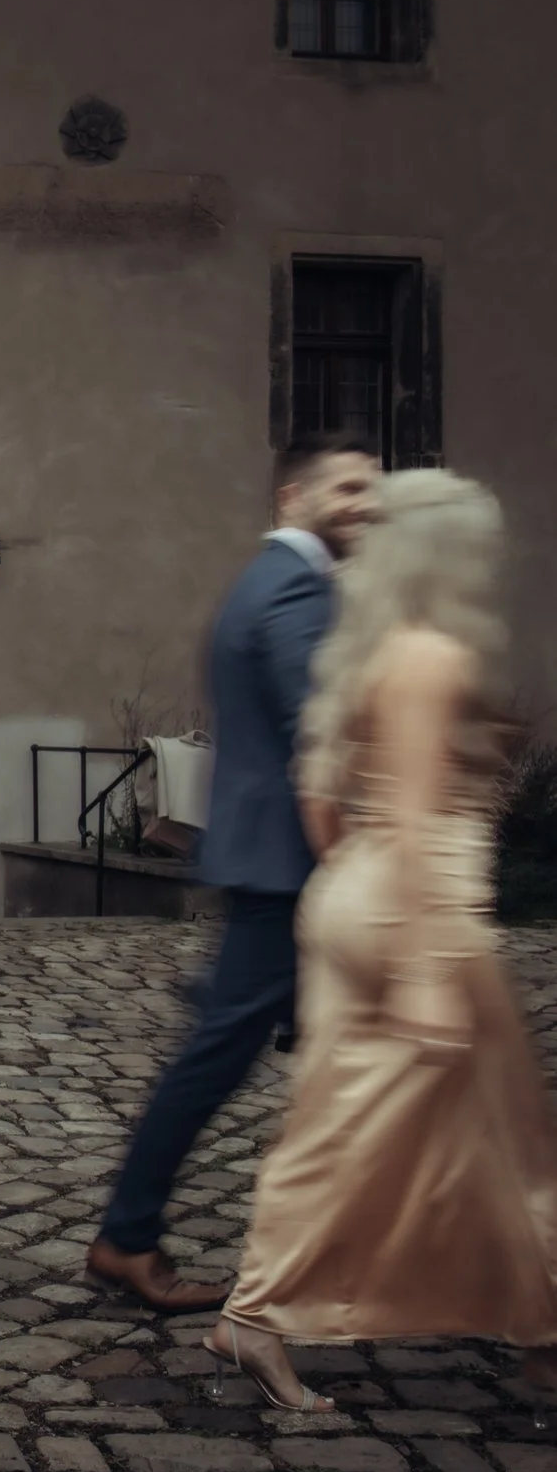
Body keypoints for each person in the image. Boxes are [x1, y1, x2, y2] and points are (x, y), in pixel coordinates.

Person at [211, 469, 557, 1409]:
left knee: (478, 1127)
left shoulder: (362, 649)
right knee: (373, 1130)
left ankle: (539, 1321)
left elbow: (322, 798)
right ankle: (256, 1311)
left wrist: (360, 891)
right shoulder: (427, 657)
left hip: (360, 893)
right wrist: (422, 967)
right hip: (421, 917)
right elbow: (410, 813)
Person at [87, 435, 379, 1312]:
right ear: (294, 496)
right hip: (288, 868)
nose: (369, 501)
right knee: (221, 1057)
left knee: (329, 1057)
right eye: (351, 486)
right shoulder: (292, 585)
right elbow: (316, 732)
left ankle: (353, 1244)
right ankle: (128, 1236)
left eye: (377, 486)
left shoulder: (276, 581)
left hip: (273, 859)